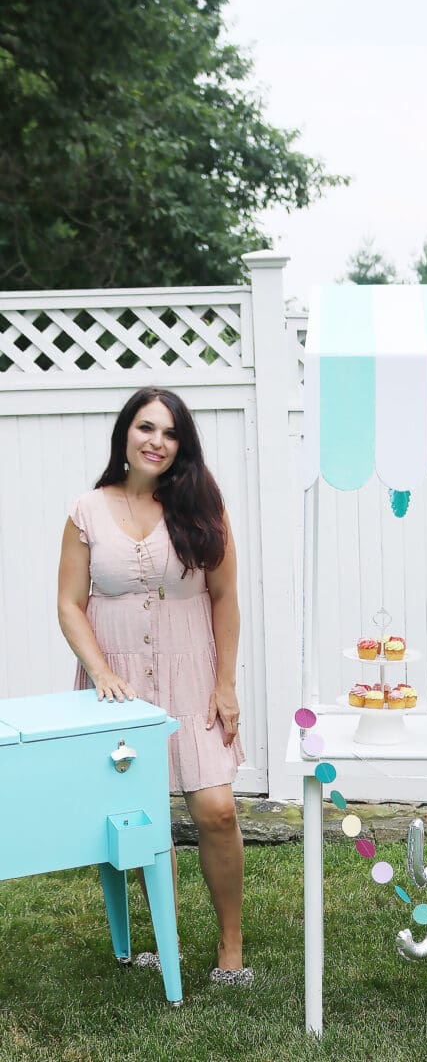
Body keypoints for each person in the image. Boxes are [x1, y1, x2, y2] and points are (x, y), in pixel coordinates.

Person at [57, 386, 252, 986]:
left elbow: (224, 599)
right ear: (125, 434)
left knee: (217, 811)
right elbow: (68, 605)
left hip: (193, 675)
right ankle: (160, 936)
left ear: (181, 445)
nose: (156, 442)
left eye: (169, 433)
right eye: (146, 428)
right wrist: (102, 675)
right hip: (117, 685)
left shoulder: (202, 507)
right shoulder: (87, 510)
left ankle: (230, 945)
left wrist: (226, 685)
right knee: (140, 820)